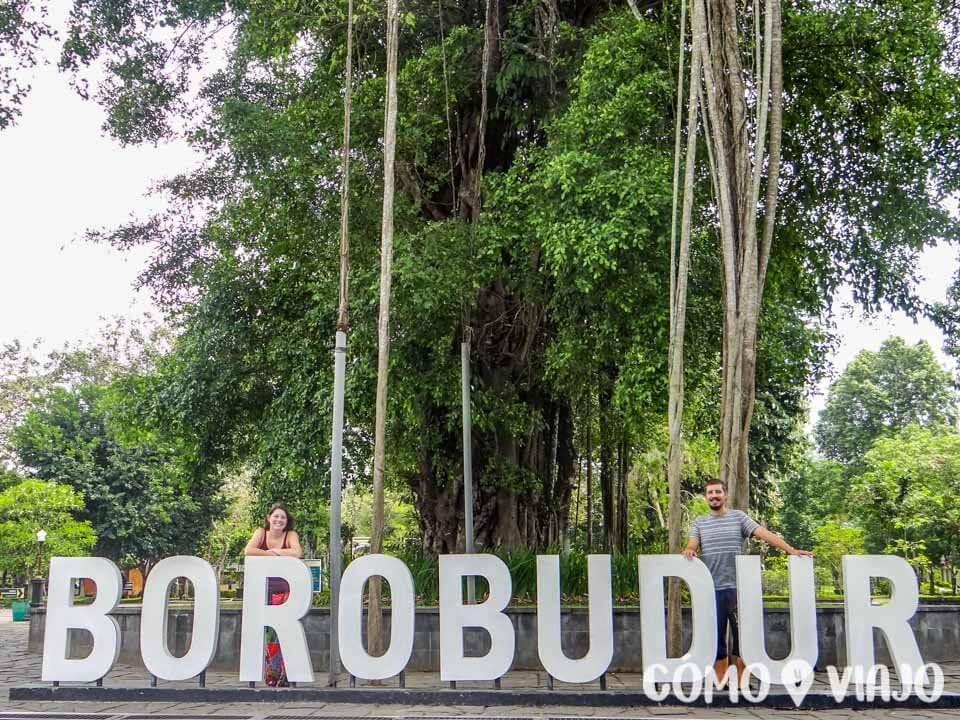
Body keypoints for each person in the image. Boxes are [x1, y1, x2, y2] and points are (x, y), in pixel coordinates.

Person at [683, 479, 812, 682]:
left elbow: (765, 534)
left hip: (738, 589)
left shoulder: (738, 517)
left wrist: (792, 551)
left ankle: (742, 683)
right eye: (710, 493)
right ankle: (722, 683)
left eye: (718, 492)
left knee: (742, 639)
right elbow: (692, 543)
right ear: (706, 497)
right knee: (716, 640)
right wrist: (690, 549)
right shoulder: (700, 522)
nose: (714, 496)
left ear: (725, 494)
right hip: (712, 590)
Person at [244, 503, 302, 686]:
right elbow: (249, 550)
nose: (279, 520)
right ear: (269, 518)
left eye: (283, 517)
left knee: (283, 633)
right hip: (262, 590)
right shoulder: (260, 532)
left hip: (284, 591)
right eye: (276, 516)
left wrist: (275, 552)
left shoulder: (290, 535)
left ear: (287, 521)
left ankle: (285, 674)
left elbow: (297, 552)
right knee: (268, 633)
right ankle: (272, 674)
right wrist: (271, 555)